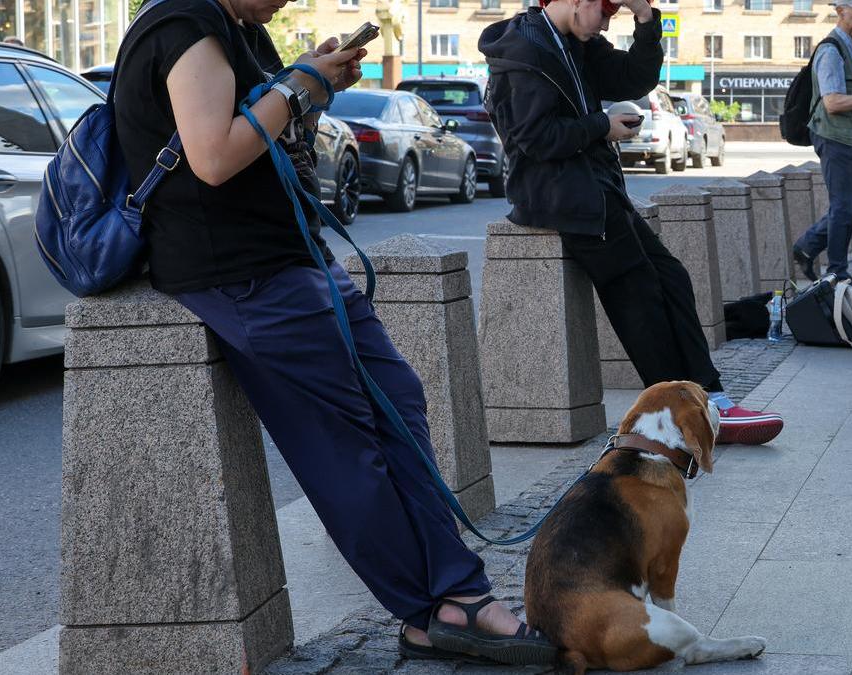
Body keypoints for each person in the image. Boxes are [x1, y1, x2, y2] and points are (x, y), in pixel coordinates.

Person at [113, 0, 556, 665]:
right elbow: (211, 155)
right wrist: (300, 85)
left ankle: (447, 594)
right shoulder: (182, 23)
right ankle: (437, 602)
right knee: (347, 447)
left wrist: (312, 88)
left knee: (398, 399)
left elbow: (270, 140)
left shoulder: (241, 28)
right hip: (241, 272)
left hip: (295, 254)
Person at [480, 0, 785, 444]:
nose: (606, 22)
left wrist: (646, 18)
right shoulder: (527, 52)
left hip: (596, 190)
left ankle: (710, 398)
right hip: (563, 197)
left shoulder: (573, 41)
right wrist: (601, 125)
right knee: (638, 296)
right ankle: (682, 415)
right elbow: (533, 140)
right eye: (605, 11)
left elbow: (634, 78)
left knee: (672, 277)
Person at [791, 0, 852, 290]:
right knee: (843, 204)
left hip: (848, 137)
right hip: (832, 136)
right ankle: (838, 272)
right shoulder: (831, 50)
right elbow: (833, 102)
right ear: (840, 11)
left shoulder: (849, 45)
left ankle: (807, 245)